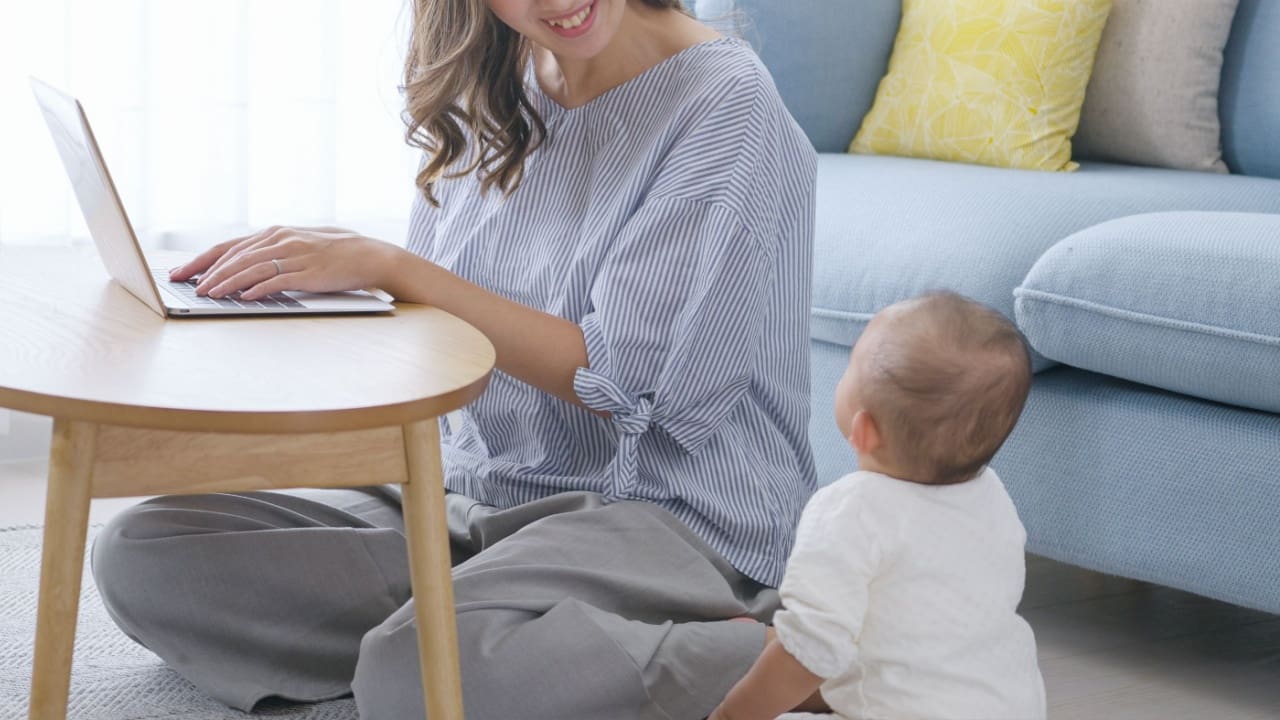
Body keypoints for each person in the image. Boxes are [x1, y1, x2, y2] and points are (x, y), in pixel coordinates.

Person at [90, 1, 818, 718]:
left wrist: (391, 268)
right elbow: (448, 326)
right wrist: (305, 298)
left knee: (418, 672)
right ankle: (514, 628)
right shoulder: (496, 72)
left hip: (663, 511)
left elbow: (628, 381)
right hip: (474, 490)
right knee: (144, 550)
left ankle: (783, 664)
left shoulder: (724, 101)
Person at [711, 291, 1046, 720]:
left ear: (862, 429)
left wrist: (729, 714)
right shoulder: (992, 494)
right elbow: (906, 624)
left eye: (852, 363)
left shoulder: (848, 511)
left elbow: (809, 654)